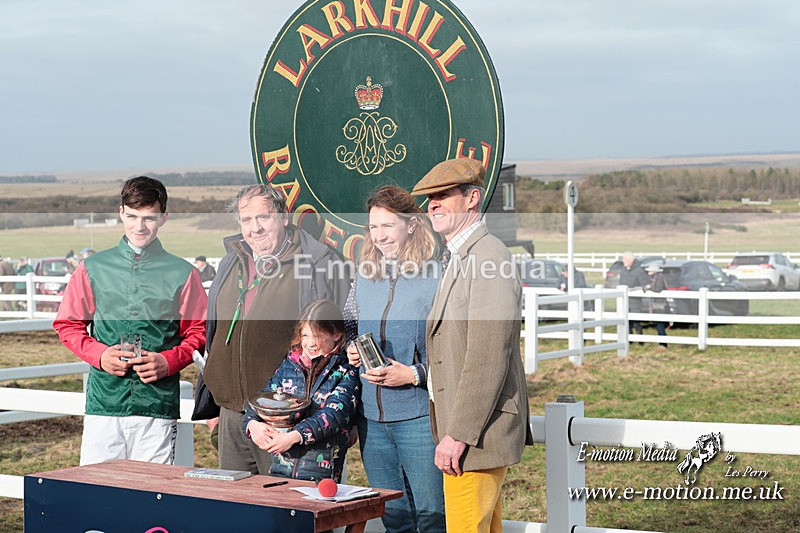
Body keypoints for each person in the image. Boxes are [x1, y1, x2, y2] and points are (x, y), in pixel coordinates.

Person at [411, 158, 533, 533]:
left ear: (472, 199)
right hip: (470, 432)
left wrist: (458, 434)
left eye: (443, 195)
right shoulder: (463, 256)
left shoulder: (489, 257)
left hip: (476, 434)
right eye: (430, 198)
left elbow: (487, 355)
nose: (433, 204)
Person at [196, 183, 350, 474]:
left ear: (283, 217)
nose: (255, 228)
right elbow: (215, 335)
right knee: (236, 509)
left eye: (263, 217)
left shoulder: (318, 264)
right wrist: (215, 402)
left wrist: (344, 418)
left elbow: (343, 338)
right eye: (246, 220)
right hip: (233, 414)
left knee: (288, 509)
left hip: (289, 419)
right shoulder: (232, 261)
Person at [53, 176, 208, 465]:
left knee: (152, 499)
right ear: (121, 213)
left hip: (157, 405)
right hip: (104, 403)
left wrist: (169, 361)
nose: (140, 226)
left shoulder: (184, 274)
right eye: (133, 216)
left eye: (149, 218)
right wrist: (100, 355)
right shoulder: (92, 268)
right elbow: (68, 325)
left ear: (163, 217)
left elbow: (199, 332)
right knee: (97, 494)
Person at [343, 185, 446, 533]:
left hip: (420, 417)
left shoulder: (438, 274)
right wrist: (352, 348)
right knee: (394, 518)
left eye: (388, 226)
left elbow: (455, 349)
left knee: (433, 517)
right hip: (371, 419)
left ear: (412, 224)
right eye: (374, 227)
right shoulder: (366, 274)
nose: (380, 235)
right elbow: (350, 324)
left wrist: (415, 374)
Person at [242, 299, 359, 481]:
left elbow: (334, 415)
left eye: (317, 336)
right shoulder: (289, 365)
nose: (310, 343)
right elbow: (264, 399)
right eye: (305, 336)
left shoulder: (347, 371)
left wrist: (295, 437)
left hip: (321, 475)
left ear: (336, 334)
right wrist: (252, 424)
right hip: (279, 470)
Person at [618, 252, 651, 338]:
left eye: (625, 259)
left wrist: (635, 289)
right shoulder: (623, 270)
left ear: (630, 260)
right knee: (626, 321)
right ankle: (629, 339)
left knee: (635, 321)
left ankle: (640, 339)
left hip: (635, 300)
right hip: (624, 300)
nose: (623, 261)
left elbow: (645, 284)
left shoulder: (639, 271)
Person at [645, 263, 670, 349]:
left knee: (660, 325)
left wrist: (648, 288)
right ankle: (662, 343)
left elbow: (658, 289)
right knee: (659, 324)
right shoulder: (656, 278)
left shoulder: (659, 278)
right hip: (658, 305)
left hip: (660, 306)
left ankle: (663, 344)